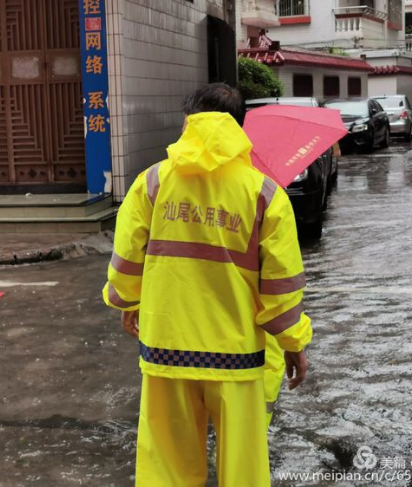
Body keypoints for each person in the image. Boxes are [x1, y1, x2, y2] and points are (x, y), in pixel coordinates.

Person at [103, 83, 312, 487]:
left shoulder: (152, 183)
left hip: (166, 351)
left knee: (167, 467)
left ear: (189, 121)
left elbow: (127, 261)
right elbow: (281, 288)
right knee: (243, 469)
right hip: (237, 356)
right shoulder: (264, 193)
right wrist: (293, 344)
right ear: (238, 126)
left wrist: (129, 304)